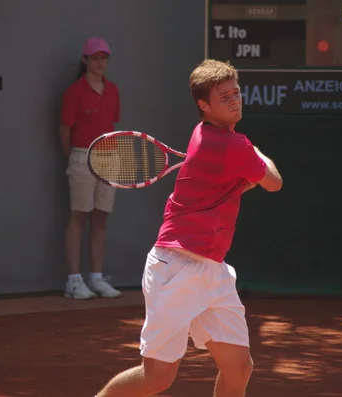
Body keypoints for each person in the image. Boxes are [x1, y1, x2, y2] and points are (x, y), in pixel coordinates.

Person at [93, 59, 283, 397]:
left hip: (212, 268)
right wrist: (255, 152)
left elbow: (241, 180)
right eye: (223, 96)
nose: (234, 100)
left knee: (239, 365)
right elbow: (273, 182)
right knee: (157, 378)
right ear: (204, 105)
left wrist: (247, 165)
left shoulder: (205, 135)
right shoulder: (232, 145)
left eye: (236, 93)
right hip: (176, 268)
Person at [59, 37, 122, 300]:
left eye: (104, 57)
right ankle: (74, 281)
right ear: (86, 60)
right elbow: (65, 130)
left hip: (109, 158)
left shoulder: (113, 90)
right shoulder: (74, 92)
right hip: (82, 157)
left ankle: (96, 278)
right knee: (79, 218)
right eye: (96, 57)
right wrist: (74, 157)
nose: (100, 62)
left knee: (100, 219)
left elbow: (111, 123)